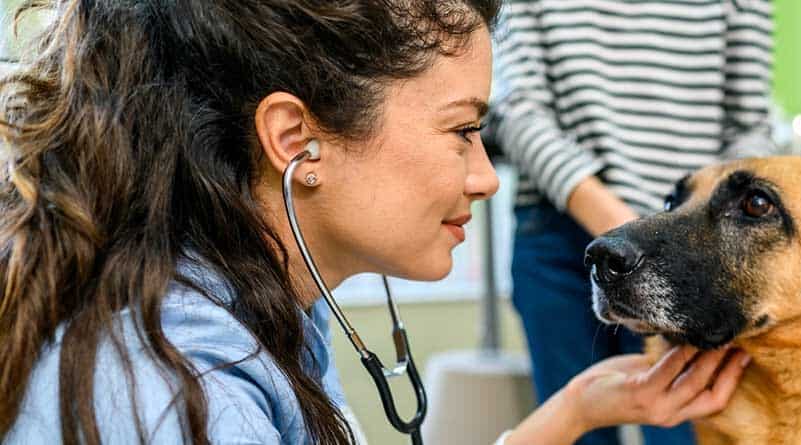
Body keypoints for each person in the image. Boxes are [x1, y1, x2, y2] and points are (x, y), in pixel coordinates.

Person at [0, 1, 750, 444]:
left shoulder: (263, 313)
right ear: (296, 141)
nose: (487, 174)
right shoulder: (181, 395)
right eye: (462, 130)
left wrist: (586, 405)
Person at [492, 1, 774, 444]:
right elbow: (514, 107)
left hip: (693, 244)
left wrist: (689, 232)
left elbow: (750, 124)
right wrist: (629, 233)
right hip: (561, 228)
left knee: (687, 425)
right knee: (570, 425)